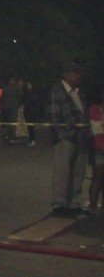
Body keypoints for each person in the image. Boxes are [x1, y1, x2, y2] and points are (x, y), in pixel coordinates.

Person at [46, 61, 88, 216]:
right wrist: (61, 136)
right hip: (66, 138)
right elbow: (53, 115)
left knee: (78, 173)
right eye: (75, 73)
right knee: (62, 173)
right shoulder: (58, 91)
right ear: (66, 74)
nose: (78, 76)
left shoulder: (78, 92)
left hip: (80, 137)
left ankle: (74, 203)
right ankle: (59, 205)